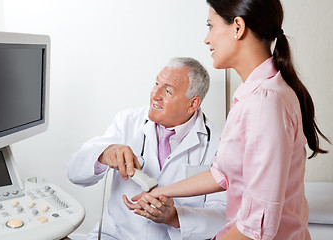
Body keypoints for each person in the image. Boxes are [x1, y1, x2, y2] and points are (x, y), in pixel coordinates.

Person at [125, 1, 331, 240]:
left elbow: (257, 226)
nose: (206, 39)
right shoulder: (254, 94)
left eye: (210, 26)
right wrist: (160, 191)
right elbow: (223, 173)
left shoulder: (264, 102)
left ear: (238, 27)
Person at [67, 57, 227, 240]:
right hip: (117, 235)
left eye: (167, 91)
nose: (155, 95)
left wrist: (175, 218)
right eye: (156, 83)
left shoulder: (218, 143)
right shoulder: (127, 121)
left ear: (193, 104)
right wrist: (104, 155)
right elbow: (73, 172)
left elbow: (224, 217)